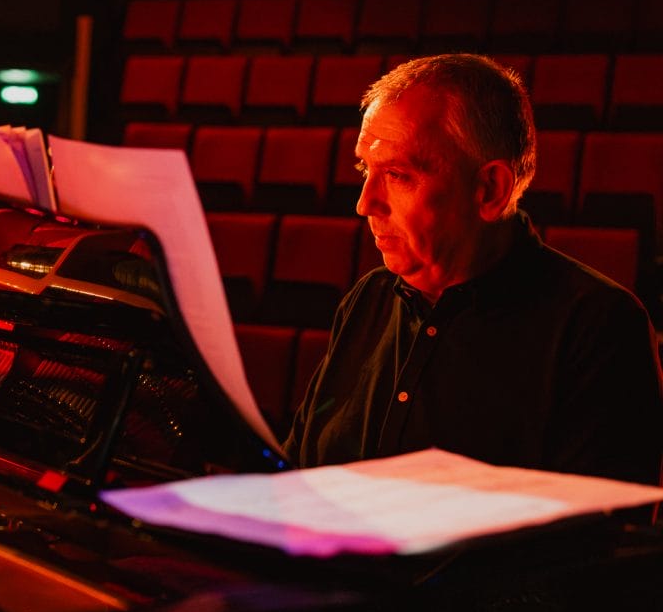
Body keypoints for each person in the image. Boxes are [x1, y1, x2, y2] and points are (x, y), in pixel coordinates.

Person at [284, 53, 663, 487]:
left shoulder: (597, 327)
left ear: (489, 189)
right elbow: (298, 472)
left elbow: (600, 544)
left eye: (398, 174)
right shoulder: (366, 300)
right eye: (364, 169)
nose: (365, 203)